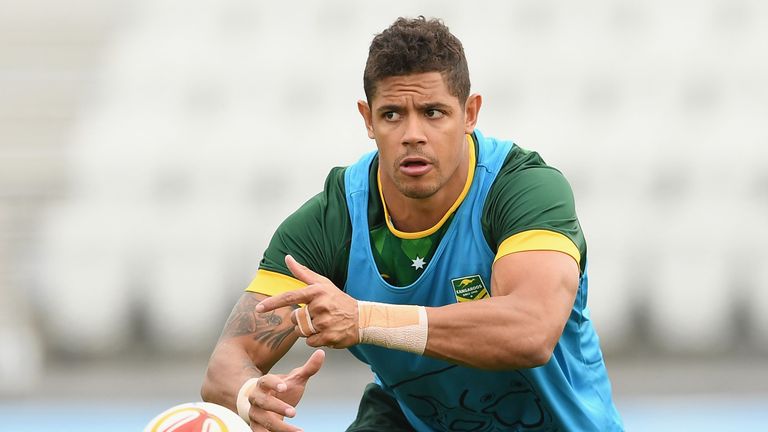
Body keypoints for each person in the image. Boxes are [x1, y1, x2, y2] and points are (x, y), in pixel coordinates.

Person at [201, 16, 624, 432]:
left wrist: (364, 320)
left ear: (470, 113)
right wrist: (250, 395)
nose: (412, 134)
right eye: (391, 115)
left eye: (433, 112)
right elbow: (227, 365)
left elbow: (531, 332)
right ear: (367, 119)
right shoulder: (333, 220)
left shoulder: (523, 191)